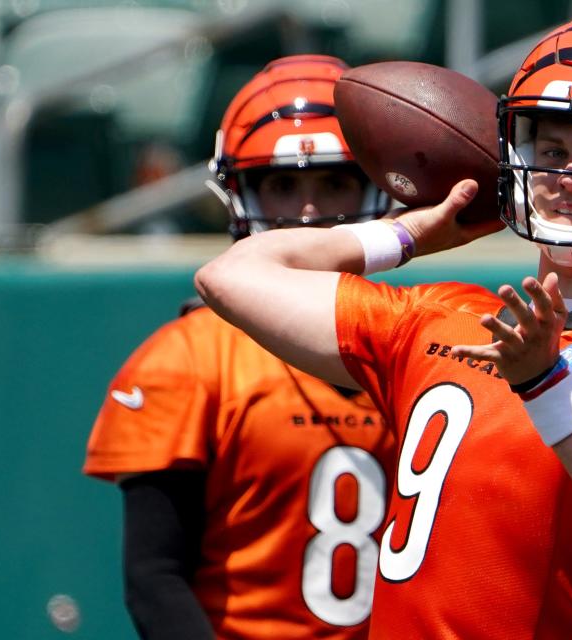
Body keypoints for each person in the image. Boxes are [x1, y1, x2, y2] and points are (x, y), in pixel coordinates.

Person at [195, 15, 572, 639]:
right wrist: (408, 234)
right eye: (552, 151)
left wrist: (548, 387)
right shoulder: (436, 314)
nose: (567, 177)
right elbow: (230, 275)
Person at [84, 55, 396, 640]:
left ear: (379, 187)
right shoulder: (189, 358)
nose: (308, 212)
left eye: (334, 181)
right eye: (282, 185)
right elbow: (154, 578)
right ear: (239, 194)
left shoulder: (421, 337)